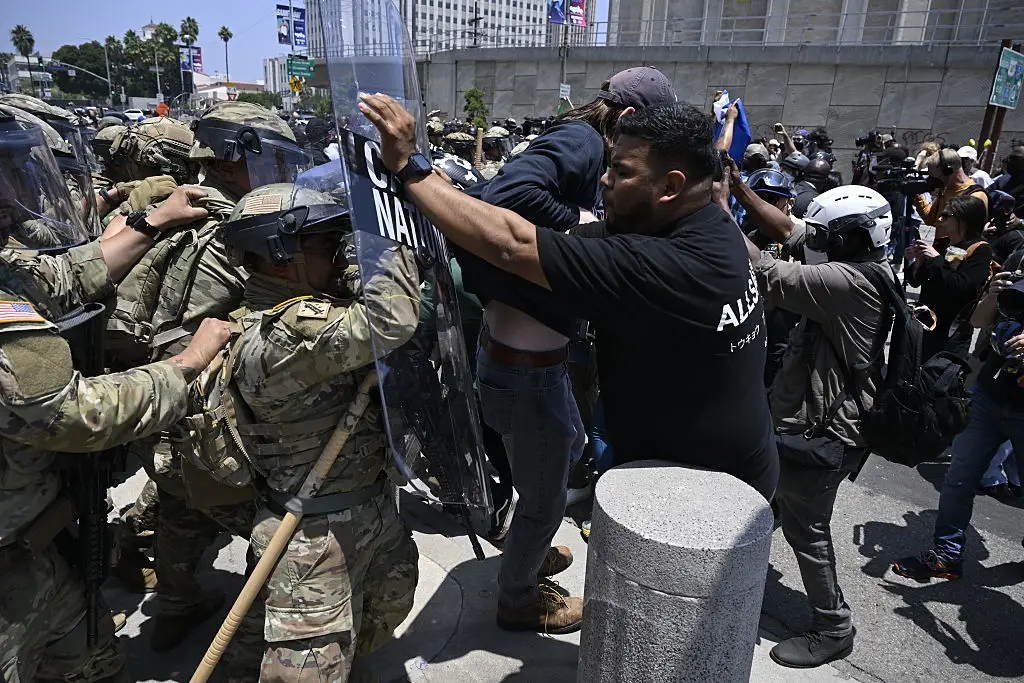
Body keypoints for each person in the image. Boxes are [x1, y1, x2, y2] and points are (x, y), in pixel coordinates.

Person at [358, 90, 779, 507]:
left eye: (621, 171)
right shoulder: (709, 228)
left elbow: (513, 245)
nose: (604, 180)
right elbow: (540, 238)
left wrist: (410, 168)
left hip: (708, 499)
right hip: (706, 467)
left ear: (670, 186)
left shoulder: (664, 265)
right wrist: (455, 197)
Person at [0, 117, 231, 683]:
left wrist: (153, 221)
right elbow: (76, 415)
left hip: (34, 549)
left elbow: (59, 278)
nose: (10, 202)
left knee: (93, 664)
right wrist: (187, 366)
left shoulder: (6, 269)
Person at [455, 67, 676, 634]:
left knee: (556, 464)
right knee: (546, 497)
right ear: (626, 118)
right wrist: (583, 226)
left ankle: (524, 557)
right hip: (525, 368)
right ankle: (519, 596)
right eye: (646, 132)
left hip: (527, 361)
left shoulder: (582, 142)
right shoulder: (582, 141)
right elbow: (506, 195)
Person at [219, 182, 420, 683]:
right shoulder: (280, 336)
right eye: (327, 245)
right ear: (280, 255)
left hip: (362, 510)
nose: (339, 255)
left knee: (379, 608)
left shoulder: (314, 306)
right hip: (312, 537)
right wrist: (386, 242)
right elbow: (391, 317)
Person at [739, 181, 895, 668]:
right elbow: (790, 226)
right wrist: (735, 190)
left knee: (807, 531)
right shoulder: (866, 261)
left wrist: (708, 206)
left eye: (828, 235)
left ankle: (833, 626)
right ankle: (740, 565)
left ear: (849, 237)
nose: (817, 242)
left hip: (822, 431)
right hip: (811, 422)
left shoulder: (848, 283)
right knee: (773, 501)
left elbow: (764, 270)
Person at [892, 250, 1024, 582]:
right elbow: (979, 320)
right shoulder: (1019, 259)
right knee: (959, 477)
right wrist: (993, 294)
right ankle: (946, 554)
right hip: (991, 394)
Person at [905, 195, 993, 360]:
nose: (939, 220)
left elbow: (961, 286)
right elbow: (915, 281)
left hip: (949, 335)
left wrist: (936, 259)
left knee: (935, 381)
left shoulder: (981, 250)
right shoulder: (943, 244)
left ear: (964, 219)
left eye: (946, 216)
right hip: (925, 325)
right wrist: (918, 262)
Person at [914, 148, 988, 226]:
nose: (932, 181)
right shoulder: (946, 190)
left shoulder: (975, 196)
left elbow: (971, 233)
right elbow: (930, 219)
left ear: (948, 171)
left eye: (935, 177)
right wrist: (916, 193)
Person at [990, 146, 1024, 218]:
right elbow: (986, 197)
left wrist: (1020, 222)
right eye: (1009, 158)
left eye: (1013, 158)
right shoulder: (1002, 180)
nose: (1008, 161)